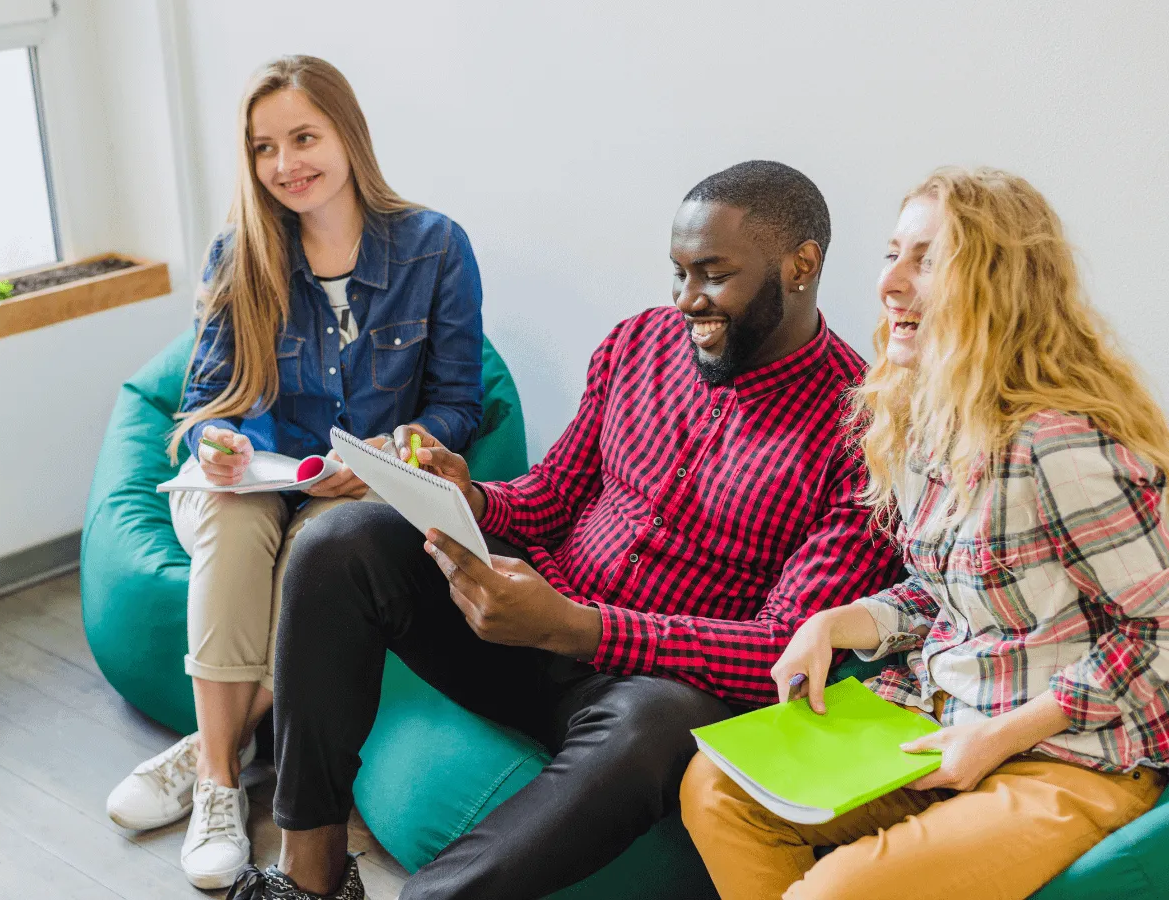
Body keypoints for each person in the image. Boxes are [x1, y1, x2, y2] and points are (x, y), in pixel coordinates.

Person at [225, 160, 905, 900]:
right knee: (338, 543)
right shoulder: (637, 345)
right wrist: (473, 498)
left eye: (713, 275)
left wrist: (578, 627)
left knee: (655, 722)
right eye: (677, 273)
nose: (686, 301)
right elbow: (552, 497)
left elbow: (781, 649)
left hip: (651, 685)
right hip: (528, 621)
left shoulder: (863, 435)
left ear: (801, 266)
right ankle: (309, 876)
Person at [680, 167, 1169, 900]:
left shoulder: (1060, 445)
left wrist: (1000, 738)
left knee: (830, 894)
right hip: (940, 718)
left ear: (999, 287)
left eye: (928, 260)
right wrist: (838, 622)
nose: (891, 284)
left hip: (1065, 756)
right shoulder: (919, 419)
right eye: (892, 254)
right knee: (714, 786)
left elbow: (1159, 635)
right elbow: (960, 592)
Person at [104, 55, 484, 891]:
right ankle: (216, 786)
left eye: (304, 137)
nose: (286, 164)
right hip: (253, 486)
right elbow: (205, 400)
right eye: (264, 147)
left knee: (324, 558)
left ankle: (215, 744)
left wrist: (396, 450)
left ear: (348, 134)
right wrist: (224, 445)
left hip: (355, 490)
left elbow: (463, 400)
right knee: (237, 525)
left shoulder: (434, 247)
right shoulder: (240, 252)